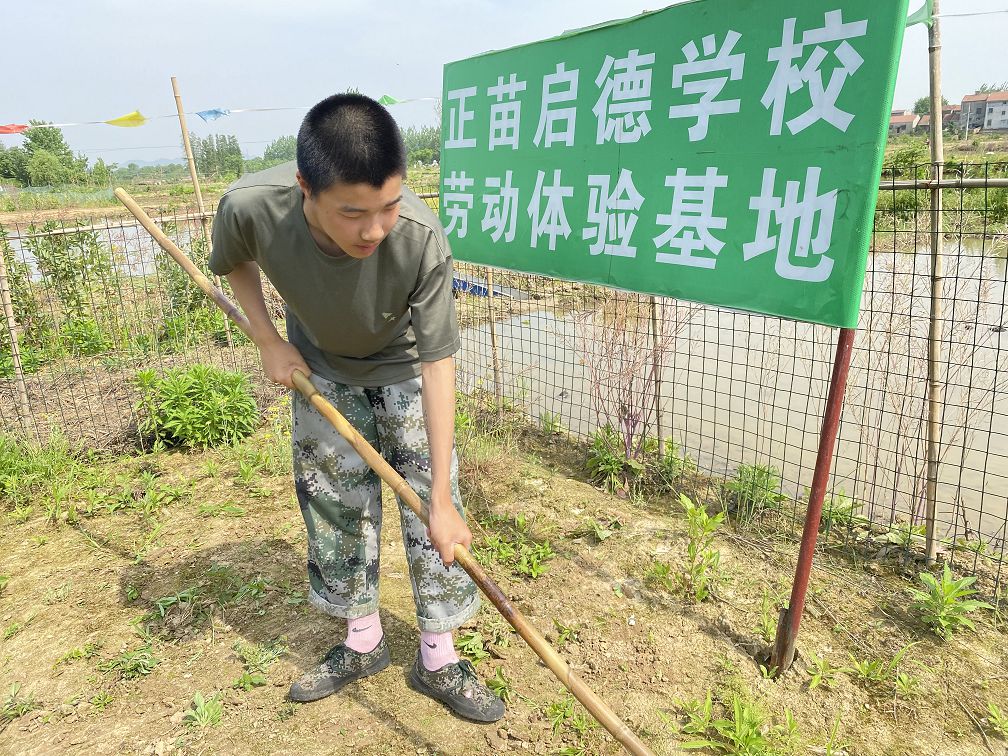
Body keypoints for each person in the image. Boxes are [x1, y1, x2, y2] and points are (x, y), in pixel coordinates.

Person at [208, 93, 504, 723]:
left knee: (432, 509)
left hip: (402, 366)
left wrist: (444, 500)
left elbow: (438, 362)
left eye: (389, 207)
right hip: (319, 366)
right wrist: (268, 340)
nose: (374, 229)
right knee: (332, 500)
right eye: (353, 214)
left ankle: (439, 656)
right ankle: (362, 641)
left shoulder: (420, 239)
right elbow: (234, 263)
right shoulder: (250, 207)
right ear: (304, 189)